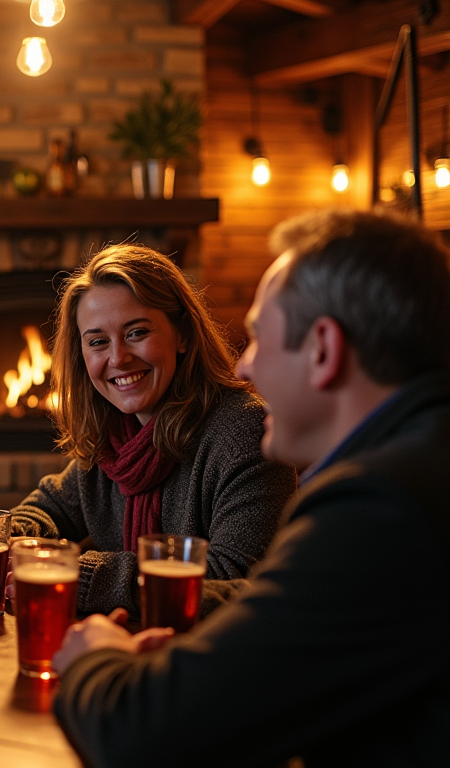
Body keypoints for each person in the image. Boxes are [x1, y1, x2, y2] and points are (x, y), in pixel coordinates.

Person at [53, 209, 450, 767]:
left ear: (323, 349)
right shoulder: (420, 461)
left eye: (260, 336)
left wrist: (96, 657)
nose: (244, 366)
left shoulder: (382, 508)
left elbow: (140, 735)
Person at [0, 244, 296, 616]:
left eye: (136, 332)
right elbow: (49, 509)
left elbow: (236, 581)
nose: (117, 358)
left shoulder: (245, 433)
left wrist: (78, 574)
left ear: (183, 335)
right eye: (98, 342)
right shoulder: (115, 438)